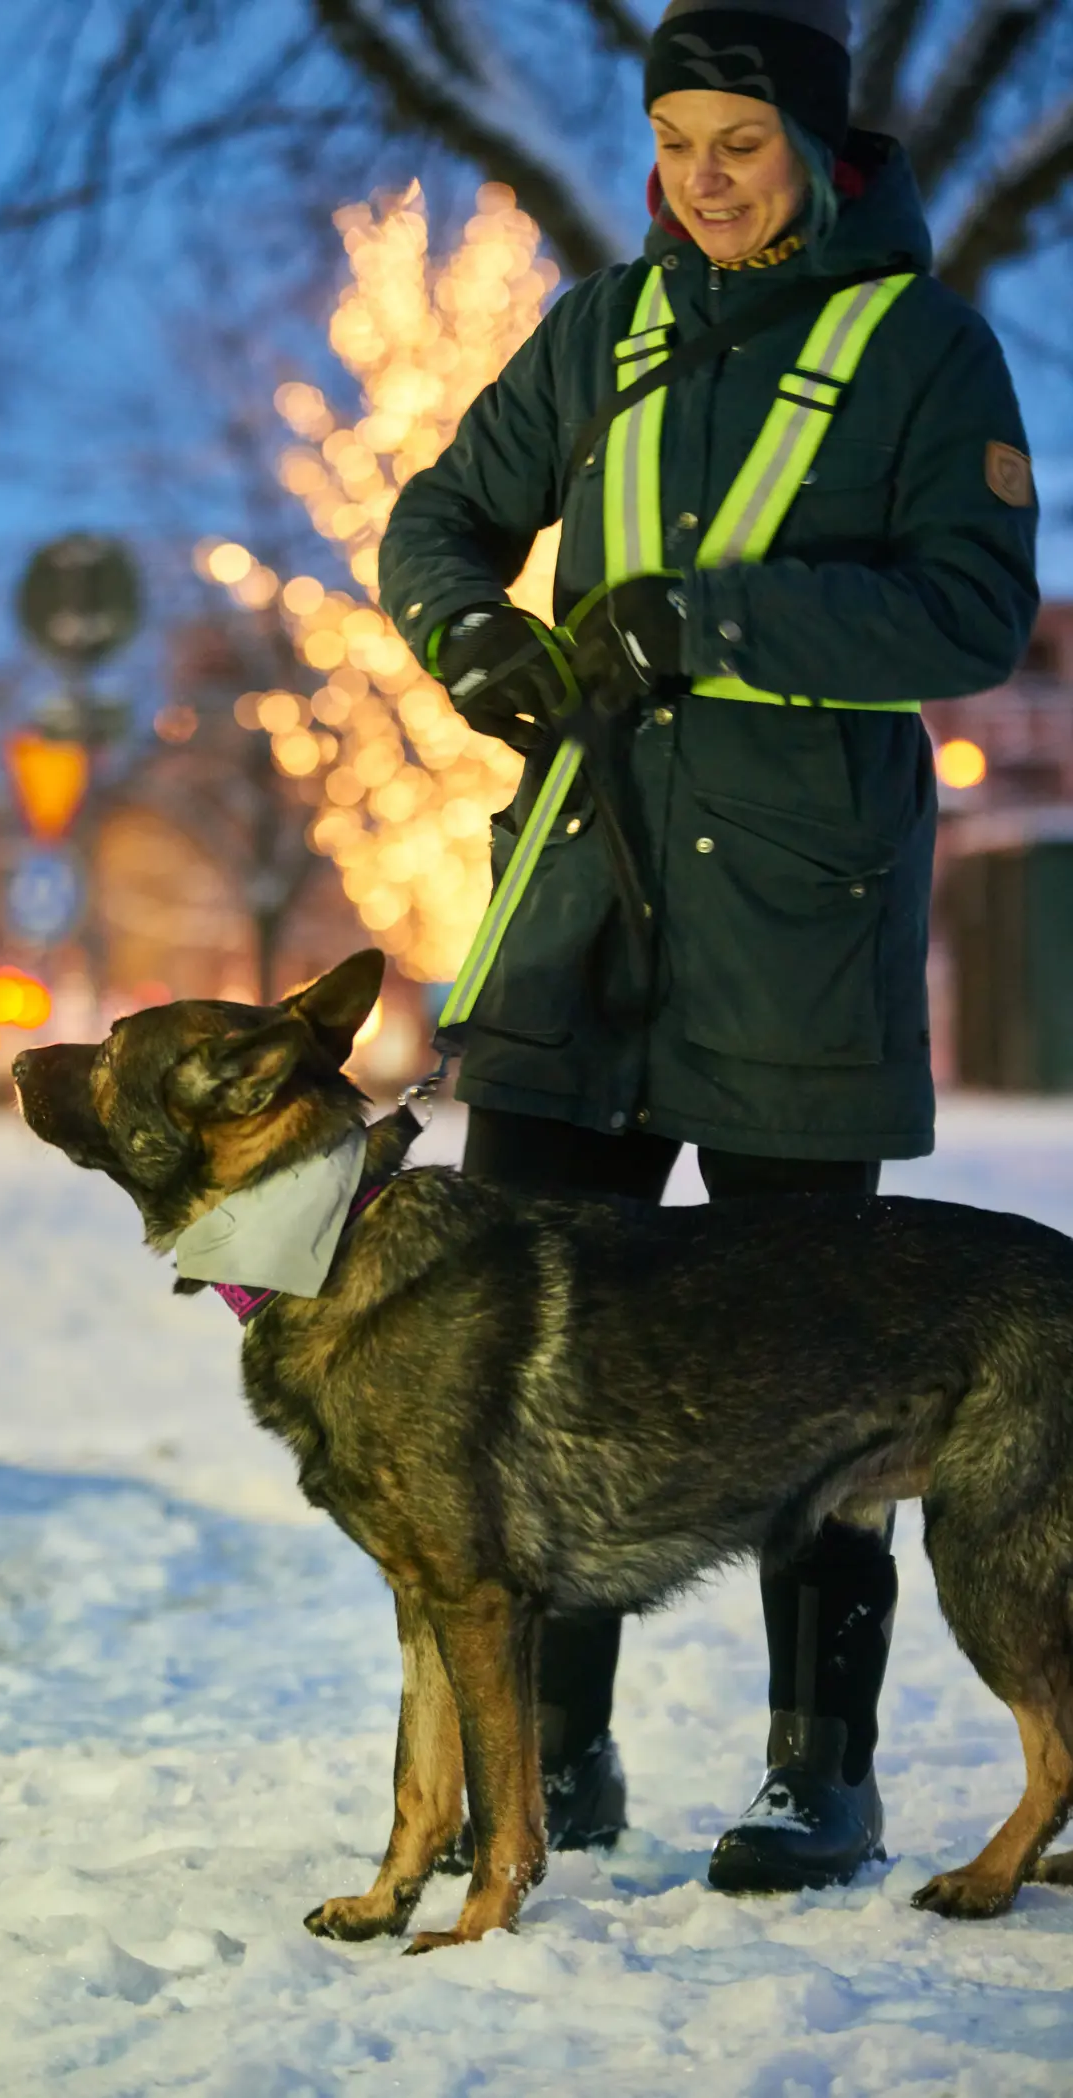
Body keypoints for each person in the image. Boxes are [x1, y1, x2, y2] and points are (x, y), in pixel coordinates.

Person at [378, 0, 1039, 1893]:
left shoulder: (921, 350)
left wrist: (716, 622)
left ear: (820, 152)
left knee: (820, 1375)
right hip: (577, 924)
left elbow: (972, 611)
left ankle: (819, 1771)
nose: (699, 176)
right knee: (516, 1358)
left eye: (735, 138)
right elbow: (438, 518)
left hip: (797, 938)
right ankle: (555, 1763)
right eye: (672, 138)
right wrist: (468, 631)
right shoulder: (606, 327)